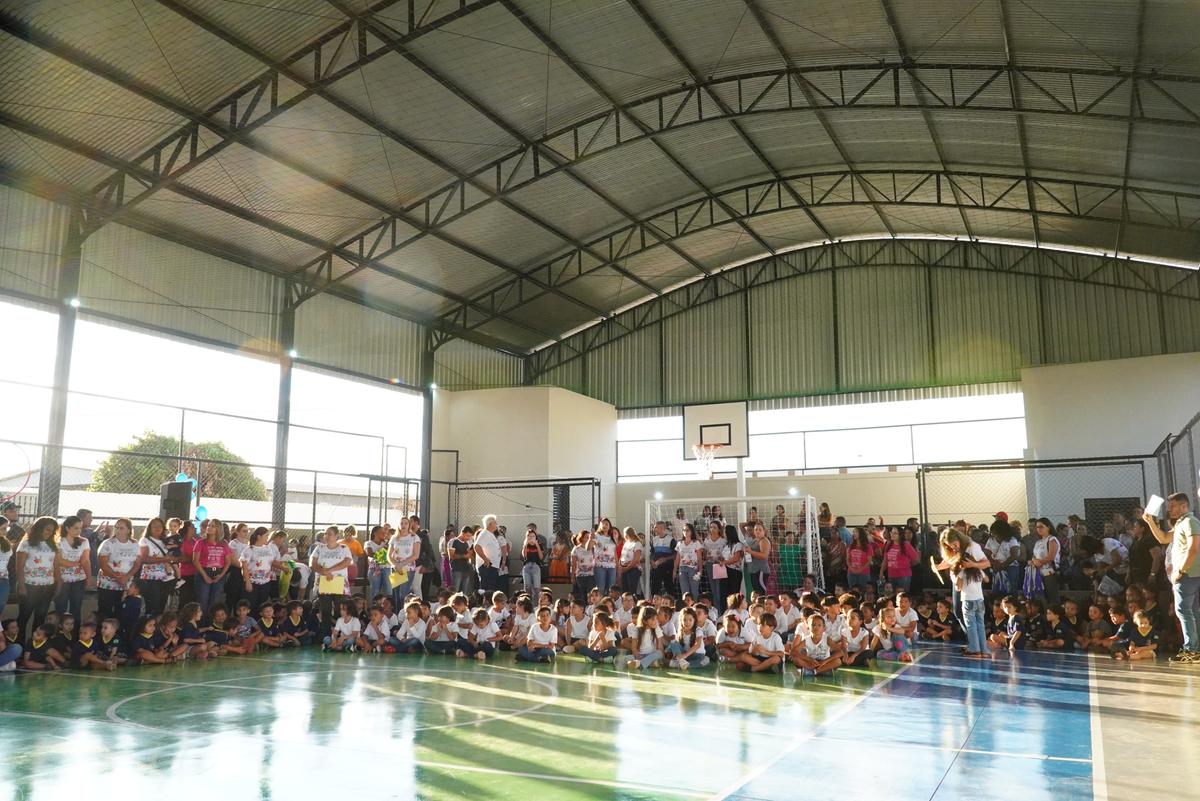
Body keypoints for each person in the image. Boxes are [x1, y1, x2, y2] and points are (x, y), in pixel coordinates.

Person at [1142, 493, 1200, 663]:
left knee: (1183, 610)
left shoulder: (1190, 522)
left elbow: (1194, 548)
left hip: (1188, 574)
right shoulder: (1182, 523)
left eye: (1173, 506)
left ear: (1184, 506)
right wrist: (1150, 522)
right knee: (1192, 611)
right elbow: (1164, 538)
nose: (1169, 510)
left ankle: (1191, 649)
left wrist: (1180, 570)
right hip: (1190, 573)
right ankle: (1194, 649)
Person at [938, 526, 990, 658]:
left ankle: (974, 649)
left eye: (955, 545)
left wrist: (954, 576)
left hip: (968, 600)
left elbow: (958, 587)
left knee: (971, 624)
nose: (954, 549)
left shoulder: (962, 568)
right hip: (980, 600)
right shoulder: (978, 572)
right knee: (980, 624)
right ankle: (984, 650)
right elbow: (987, 579)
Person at [15, 516, 58, 642]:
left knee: (40, 619)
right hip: (29, 586)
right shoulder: (26, 544)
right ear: (39, 529)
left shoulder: (53, 546)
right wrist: (22, 587)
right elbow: (19, 567)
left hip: (47, 587)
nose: (49, 533)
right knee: (23, 618)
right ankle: (20, 646)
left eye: (52, 531)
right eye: (47, 530)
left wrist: (57, 585)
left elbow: (55, 567)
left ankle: (35, 648)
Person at [310, 527, 353, 637]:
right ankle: (326, 635)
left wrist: (330, 570)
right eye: (325, 534)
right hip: (324, 582)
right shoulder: (319, 548)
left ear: (336, 536)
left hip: (339, 582)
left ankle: (341, 634)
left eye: (330, 534)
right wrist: (323, 571)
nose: (327, 536)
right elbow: (312, 563)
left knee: (340, 609)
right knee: (325, 609)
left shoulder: (344, 548)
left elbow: (347, 561)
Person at [137, 517, 177, 616]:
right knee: (152, 607)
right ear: (149, 528)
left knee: (161, 607)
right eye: (154, 526)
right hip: (151, 579)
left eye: (159, 526)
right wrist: (164, 559)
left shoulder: (166, 541)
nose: (157, 528)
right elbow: (144, 558)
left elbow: (174, 556)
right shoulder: (145, 540)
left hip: (166, 578)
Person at [193, 519, 232, 619]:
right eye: (208, 525)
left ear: (218, 529)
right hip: (204, 572)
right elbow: (195, 560)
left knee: (214, 601)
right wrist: (205, 576)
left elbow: (228, 561)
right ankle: (201, 623)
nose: (209, 528)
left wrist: (221, 575)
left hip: (218, 573)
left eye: (213, 526)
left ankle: (210, 623)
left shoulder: (223, 543)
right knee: (203, 601)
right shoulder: (201, 542)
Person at [53, 515, 89, 618]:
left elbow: (86, 561)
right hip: (62, 579)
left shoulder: (84, 541)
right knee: (60, 608)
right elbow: (60, 561)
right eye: (75, 528)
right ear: (67, 528)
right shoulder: (58, 541)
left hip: (79, 579)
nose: (78, 531)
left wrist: (88, 577)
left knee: (76, 609)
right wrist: (77, 563)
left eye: (80, 528)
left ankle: (75, 633)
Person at [1028, 518, 1061, 604]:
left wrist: (1040, 562)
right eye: (1037, 527)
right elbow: (1034, 556)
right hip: (1038, 573)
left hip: (1049, 573)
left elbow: (1051, 556)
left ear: (1048, 527)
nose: (1039, 529)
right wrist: (1033, 561)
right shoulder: (1038, 542)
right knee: (1041, 598)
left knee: (1052, 597)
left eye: (1041, 527)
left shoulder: (1052, 539)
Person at [880, 527, 918, 594]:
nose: (892, 534)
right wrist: (881, 572)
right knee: (892, 594)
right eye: (891, 533)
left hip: (903, 575)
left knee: (902, 594)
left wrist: (906, 564)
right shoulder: (889, 545)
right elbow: (885, 560)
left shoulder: (905, 544)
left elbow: (915, 558)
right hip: (891, 575)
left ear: (900, 535)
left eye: (895, 533)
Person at [473, 515, 502, 600]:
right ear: (490, 524)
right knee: (486, 589)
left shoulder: (490, 534)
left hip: (492, 567)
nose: (496, 524)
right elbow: (477, 546)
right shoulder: (485, 534)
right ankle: (484, 605)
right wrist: (485, 559)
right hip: (487, 566)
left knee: (491, 589)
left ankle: (487, 604)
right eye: (495, 523)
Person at [674, 524, 702, 600]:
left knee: (694, 591)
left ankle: (695, 608)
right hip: (682, 569)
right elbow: (677, 558)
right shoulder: (680, 543)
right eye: (684, 530)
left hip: (693, 569)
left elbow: (699, 558)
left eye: (687, 530)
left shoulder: (696, 543)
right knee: (684, 591)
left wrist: (700, 570)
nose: (685, 532)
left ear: (691, 531)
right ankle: (685, 609)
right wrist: (674, 570)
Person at [592, 519, 617, 596]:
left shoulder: (612, 537)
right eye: (603, 524)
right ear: (600, 525)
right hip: (600, 565)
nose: (605, 526)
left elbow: (614, 552)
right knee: (600, 588)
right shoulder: (596, 535)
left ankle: (609, 605)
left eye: (607, 524)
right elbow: (589, 547)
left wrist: (617, 564)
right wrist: (591, 538)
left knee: (611, 588)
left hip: (612, 566)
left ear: (609, 526)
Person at [569, 530, 595, 601]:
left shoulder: (592, 548)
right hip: (580, 575)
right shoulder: (576, 549)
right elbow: (573, 564)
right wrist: (573, 577)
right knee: (582, 594)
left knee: (590, 594)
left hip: (591, 575)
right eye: (587, 537)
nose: (588, 539)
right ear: (582, 538)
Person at [521, 526, 544, 598]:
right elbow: (524, 556)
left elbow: (541, 557)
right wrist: (525, 545)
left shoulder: (539, 545)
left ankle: (536, 605)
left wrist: (537, 545)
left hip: (536, 566)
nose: (531, 538)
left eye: (533, 536)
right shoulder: (525, 545)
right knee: (527, 588)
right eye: (529, 536)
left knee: (537, 588)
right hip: (527, 566)